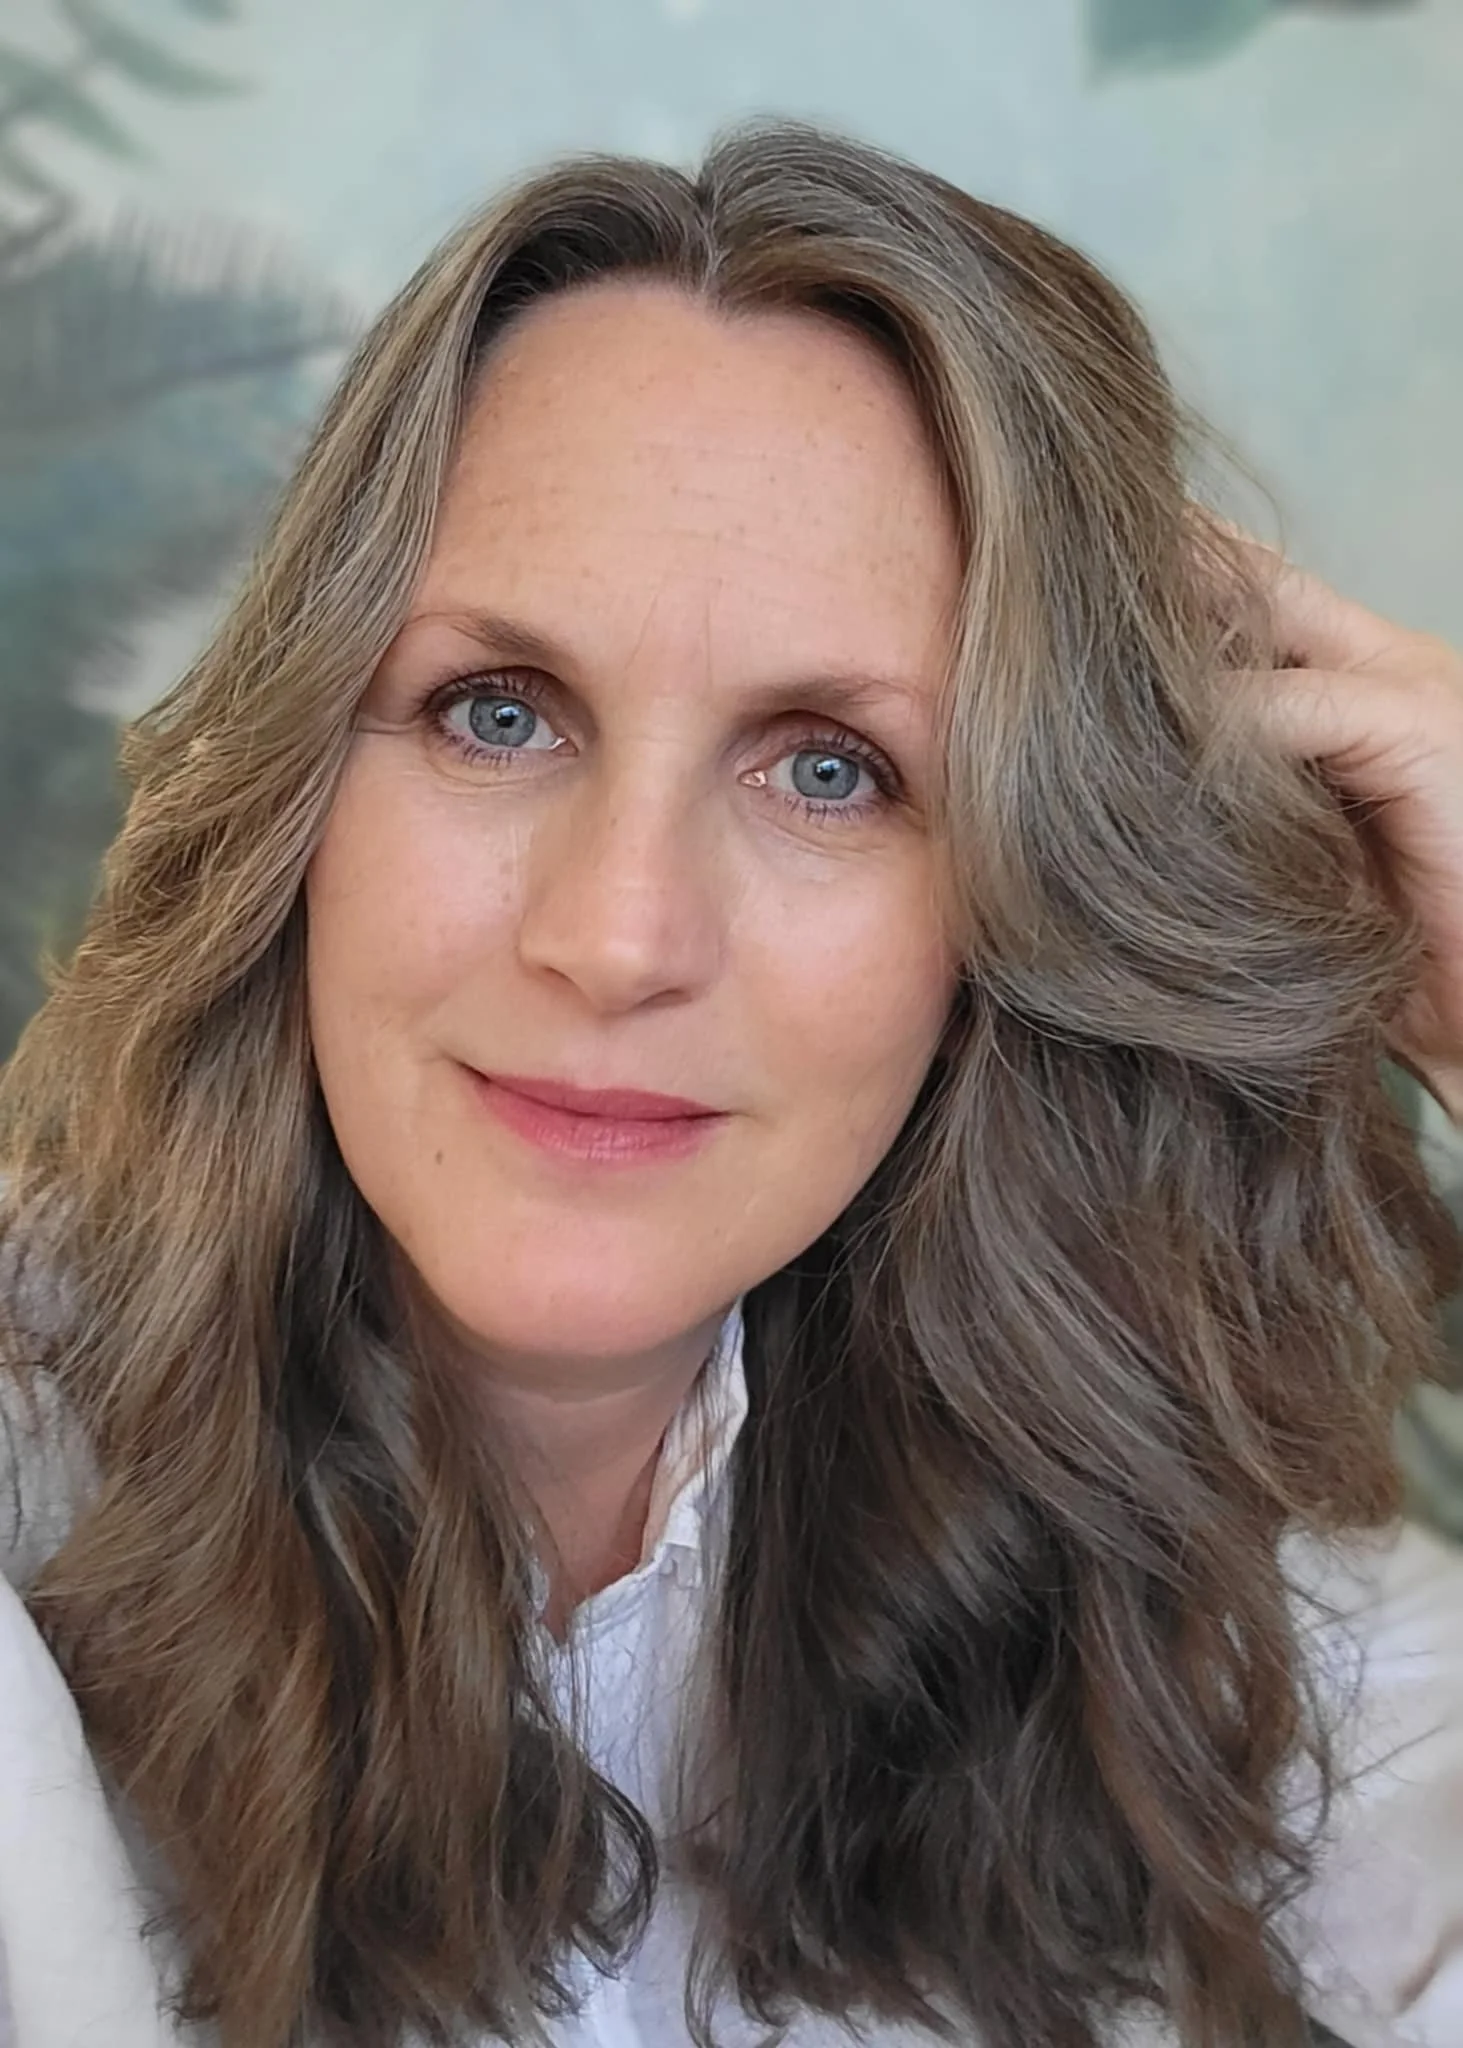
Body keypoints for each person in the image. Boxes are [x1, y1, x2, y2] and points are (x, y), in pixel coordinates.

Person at [1, 114, 1461, 2048]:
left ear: (1015, 908)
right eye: (495, 714)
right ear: (292, 804)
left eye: (831, 768)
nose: (616, 937)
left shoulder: (1270, 1683)